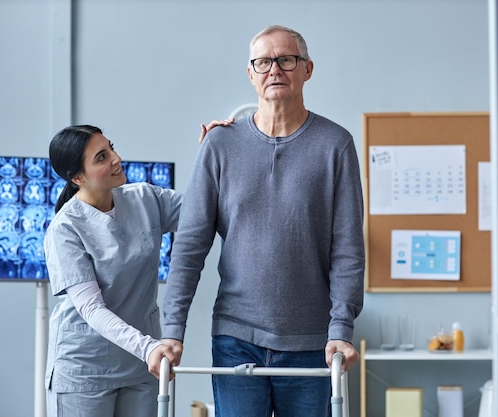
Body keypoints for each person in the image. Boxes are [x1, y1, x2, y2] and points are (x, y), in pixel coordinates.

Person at [157, 25, 365, 417]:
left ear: (307, 69)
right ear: (250, 73)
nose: (275, 70)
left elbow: (349, 248)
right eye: (263, 62)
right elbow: (189, 245)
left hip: (310, 341)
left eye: (287, 59)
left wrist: (341, 329)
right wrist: (172, 331)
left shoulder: (336, 145)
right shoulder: (220, 145)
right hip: (236, 337)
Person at [43, 120, 230, 417]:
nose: (116, 158)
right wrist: (148, 348)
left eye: (111, 148)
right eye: (101, 157)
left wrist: (214, 152)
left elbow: (205, 210)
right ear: (78, 177)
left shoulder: (145, 199)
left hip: (143, 364)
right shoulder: (65, 229)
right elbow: (91, 309)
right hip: (86, 368)